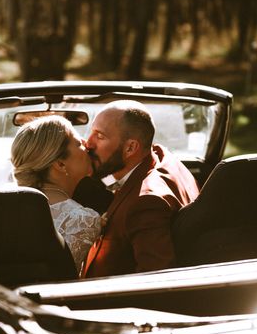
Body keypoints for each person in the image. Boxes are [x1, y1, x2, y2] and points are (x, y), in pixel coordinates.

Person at [83, 100, 199, 277]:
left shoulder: (145, 203)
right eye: (91, 132)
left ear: (131, 147)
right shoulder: (162, 155)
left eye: (99, 136)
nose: (88, 144)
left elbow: (155, 281)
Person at [10, 116, 102, 274]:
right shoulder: (82, 219)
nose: (87, 144)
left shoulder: (4, 206)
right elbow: (64, 280)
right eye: (79, 143)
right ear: (60, 164)